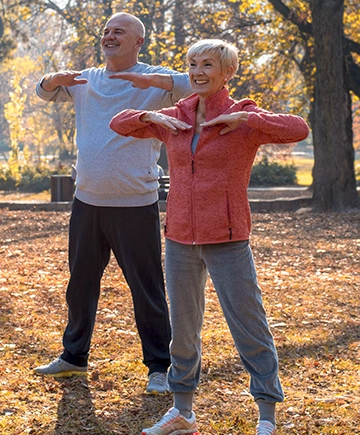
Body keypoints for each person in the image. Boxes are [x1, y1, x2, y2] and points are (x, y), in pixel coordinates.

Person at [110, 39, 309, 435]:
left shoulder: (242, 116)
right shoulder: (176, 117)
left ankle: (266, 415)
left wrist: (248, 122)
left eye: (207, 65)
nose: (198, 71)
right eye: (193, 64)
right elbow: (119, 122)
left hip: (228, 238)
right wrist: (152, 116)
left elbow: (297, 129)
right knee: (183, 330)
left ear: (227, 73)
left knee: (249, 325)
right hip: (180, 238)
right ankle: (183, 412)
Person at [32, 12, 192, 395]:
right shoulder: (87, 79)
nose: (109, 36)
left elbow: (196, 85)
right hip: (87, 201)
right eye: (105, 31)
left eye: (118, 31)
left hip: (135, 204)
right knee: (80, 284)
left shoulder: (156, 78)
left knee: (147, 289)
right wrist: (54, 79)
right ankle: (73, 357)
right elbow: (42, 91)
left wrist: (150, 81)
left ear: (138, 41)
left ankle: (159, 367)